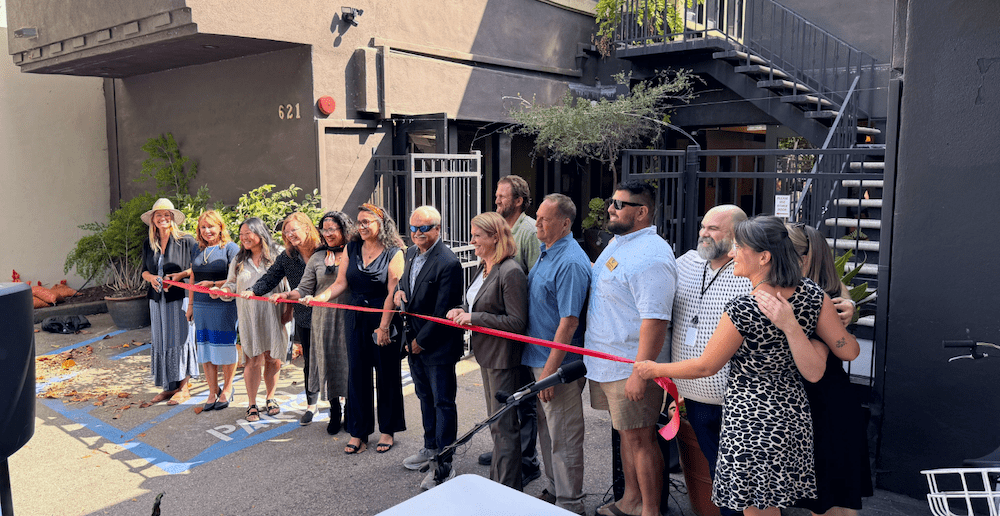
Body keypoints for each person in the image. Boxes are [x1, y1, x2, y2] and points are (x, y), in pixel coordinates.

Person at [634, 216, 861, 516]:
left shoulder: (745, 308)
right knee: (776, 503)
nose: (731, 253)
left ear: (764, 257)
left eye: (739, 248)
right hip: (793, 418)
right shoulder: (812, 296)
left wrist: (654, 369)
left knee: (758, 511)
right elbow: (848, 352)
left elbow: (706, 366)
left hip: (750, 421)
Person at [583, 180, 676, 516]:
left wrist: (641, 371)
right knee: (627, 437)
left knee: (641, 440)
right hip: (606, 362)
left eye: (620, 204)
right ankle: (631, 501)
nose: (611, 208)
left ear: (642, 212)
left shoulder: (652, 255)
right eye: (612, 201)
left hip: (629, 367)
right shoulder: (619, 242)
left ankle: (650, 510)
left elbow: (655, 320)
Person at [304, 203, 406, 455]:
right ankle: (359, 433)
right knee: (357, 375)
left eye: (366, 222)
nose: (361, 227)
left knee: (387, 375)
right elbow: (340, 283)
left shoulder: (395, 252)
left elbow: (393, 291)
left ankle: (387, 430)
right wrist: (320, 298)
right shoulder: (352, 248)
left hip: (384, 317)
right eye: (358, 222)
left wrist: (383, 327)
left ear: (380, 224)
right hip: (355, 317)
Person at [787, 223, 872, 516]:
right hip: (818, 399)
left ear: (803, 257)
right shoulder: (823, 291)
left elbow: (842, 350)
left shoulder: (822, 297)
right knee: (825, 499)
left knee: (831, 500)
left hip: (823, 401)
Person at [670, 204, 750, 516]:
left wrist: (846, 304)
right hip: (695, 396)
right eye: (704, 226)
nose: (704, 233)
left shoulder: (749, 269)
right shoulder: (686, 263)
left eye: (713, 229)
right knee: (719, 475)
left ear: (736, 235)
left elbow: (798, 288)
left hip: (738, 400)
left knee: (739, 482)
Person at [446, 211, 527, 491]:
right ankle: (500, 484)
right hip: (487, 355)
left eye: (477, 236)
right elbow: (481, 305)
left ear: (495, 237)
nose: (472, 241)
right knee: (497, 425)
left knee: (504, 427)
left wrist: (474, 318)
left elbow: (516, 322)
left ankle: (506, 490)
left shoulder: (510, 271)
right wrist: (464, 311)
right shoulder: (486, 267)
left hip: (503, 359)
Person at [523, 194, 591, 515]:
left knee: (564, 436)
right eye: (537, 216)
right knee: (548, 431)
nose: (537, 223)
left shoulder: (571, 262)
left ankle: (570, 504)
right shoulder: (547, 250)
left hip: (557, 367)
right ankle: (554, 490)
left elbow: (570, 321)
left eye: (544, 219)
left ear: (565, 223)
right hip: (539, 360)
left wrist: (550, 372)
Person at [394, 206, 465, 490]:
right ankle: (430, 446)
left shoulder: (448, 262)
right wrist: (400, 291)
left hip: (436, 346)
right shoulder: (411, 253)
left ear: (437, 228)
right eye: (412, 228)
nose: (417, 234)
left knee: (443, 402)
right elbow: (405, 281)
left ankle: (445, 462)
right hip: (413, 342)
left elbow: (443, 311)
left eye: (423, 228)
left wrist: (420, 343)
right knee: (424, 396)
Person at [274, 211, 355, 434]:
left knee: (348, 364)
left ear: (343, 230)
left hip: (349, 318)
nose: (327, 234)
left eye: (332, 229)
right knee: (328, 363)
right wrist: (287, 296)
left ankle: (350, 410)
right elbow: (304, 288)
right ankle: (335, 410)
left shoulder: (355, 252)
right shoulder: (319, 257)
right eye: (324, 230)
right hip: (323, 319)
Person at [490, 174, 541, 485]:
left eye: (503, 196)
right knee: (509, 397)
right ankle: (507, 451)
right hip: (504, 334)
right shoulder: (503, 229)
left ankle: (526, 458)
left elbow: (534, 284)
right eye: (496, 195)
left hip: (523, 330)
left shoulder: (530, 232)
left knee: (525, 397)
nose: (497, 200)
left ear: (519, 200)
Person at [212, 217, 289, 422]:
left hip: (275, 315)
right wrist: (221, 291)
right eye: (241, 235)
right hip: (249, 316)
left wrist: (288, 313)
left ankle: (271, 397)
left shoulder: (278, 254)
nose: (244, 238)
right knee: (253, 359)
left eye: (248, 233)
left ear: (260, 233)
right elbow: (230, 285)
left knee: (273, 358)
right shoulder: (238, 260)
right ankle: (252, 403)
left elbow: (290, 287)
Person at [245, 212, 320, 422]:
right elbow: (271, 278)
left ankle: (340, 404)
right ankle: (311, 405)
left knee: (334, 360)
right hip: (305, 316)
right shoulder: (288, 256)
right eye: (286, 232)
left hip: (330, 316)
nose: (289, 235)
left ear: (307, 227)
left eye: (293, 230)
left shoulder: (323, 250)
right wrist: (254, 291)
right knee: (310, 362)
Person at [139, 198, 199, 406]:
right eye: (159, 215)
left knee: (181, 339)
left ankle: (184, 387)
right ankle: (169, 386)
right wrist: (151, 278)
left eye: (167, 215)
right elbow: (144, 271)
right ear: (153, 220)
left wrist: (179, 275)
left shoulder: (187, 241)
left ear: (172, 218)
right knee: (162, 340)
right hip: (157, 299)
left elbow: (197, 269)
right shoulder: (149, 243)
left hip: (179, 298)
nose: (163, 218)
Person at [187, 210, 240, 412]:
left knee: (225, 346)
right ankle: (212, 390)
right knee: (205, 347)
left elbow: (236, 278)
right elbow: (193, 276)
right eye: (203, 227)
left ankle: (227, 388)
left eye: (211, 226)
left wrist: (214, 284)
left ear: (220, 227)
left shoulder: (230, 248)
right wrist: (191, 305)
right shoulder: (196, 248)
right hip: (201, 305)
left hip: (223, 303)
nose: (207, 231)